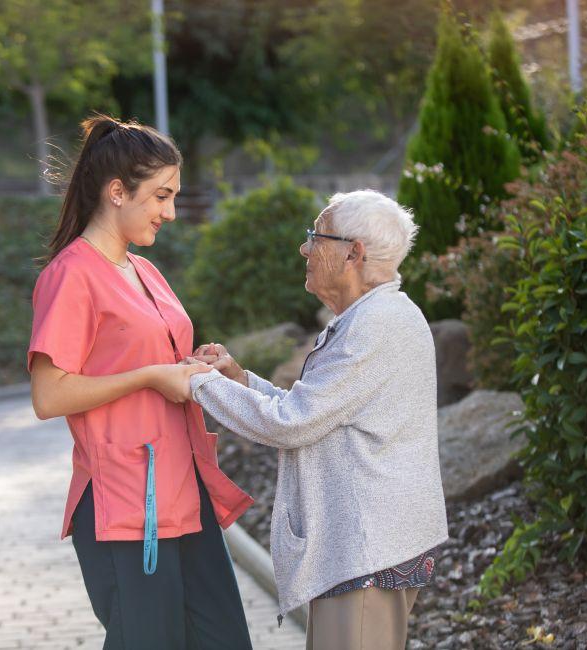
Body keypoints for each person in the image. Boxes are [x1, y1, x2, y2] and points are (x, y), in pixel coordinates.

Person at [28, 115, 254, 650]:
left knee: (225, 640)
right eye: (160, 196)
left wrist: (194, 363)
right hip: (125, 504)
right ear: (116, 192)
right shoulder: (70, 275)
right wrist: (153, 375)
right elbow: (48, 394)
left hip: (185, 489)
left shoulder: (146, 271)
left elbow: (149, 355)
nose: (170, 212)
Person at [185, 190, 449, 650]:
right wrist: (239, 379)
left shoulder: (373, 326)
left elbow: (292, 422)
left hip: (367, 552)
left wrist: (194, 383)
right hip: (366, 547)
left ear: (354, 252)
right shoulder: (372, 317)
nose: (305, 249)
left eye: (316, 237)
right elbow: (317, 410)